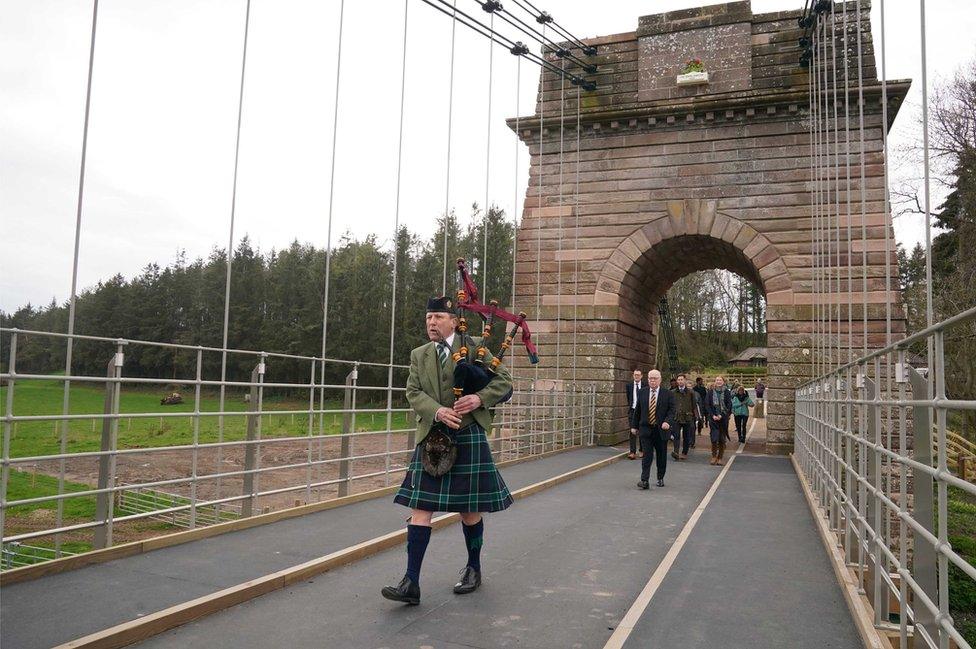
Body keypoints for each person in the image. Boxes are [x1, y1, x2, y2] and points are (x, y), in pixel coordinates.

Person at [381, 296, 514, 606]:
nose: (431, 322)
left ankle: (473, 568)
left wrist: (479, 398)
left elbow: (505, 383)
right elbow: (413, 392)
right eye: (429, 317)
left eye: (438, 316)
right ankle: (410, 581)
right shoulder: (419, 354)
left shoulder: (477, 344)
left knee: (469, 510)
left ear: (454, 321)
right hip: (433, 439)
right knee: (421, 509)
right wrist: (437, 411)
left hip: (468, 434)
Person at [630, 369, 676, 488]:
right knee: (647, 455)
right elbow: (637, 411)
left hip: (661, 430)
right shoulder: (642, 392)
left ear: (660, 380)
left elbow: (672, 411)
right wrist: (634, 426)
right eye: (650, 378)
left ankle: (660, 477)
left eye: (655, 378)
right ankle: (644, 480)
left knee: (661, 456)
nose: (652, 380)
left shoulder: (668, 394)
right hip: (646, 429)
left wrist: (667, 422)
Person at [704, 375, 733, 466]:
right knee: (714, 437)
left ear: (723, 382)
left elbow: (729, 405)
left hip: (723, 419)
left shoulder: (727, 392)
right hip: (713, 419)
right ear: (715, 381)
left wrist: (722, 415)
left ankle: (720, 457)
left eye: (720, 380)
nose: (718, 381)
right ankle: (713, 456)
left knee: (721, 438)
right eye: (717, 380)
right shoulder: (710, 392)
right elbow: (707, 405)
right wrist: (713, 415)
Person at [670, 373, 698, 460]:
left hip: (687, 417)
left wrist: (696, 417)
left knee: (686, 436)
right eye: (678, 380)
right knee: (676, 435)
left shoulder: (691, 392)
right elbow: (670, 405)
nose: (680, 381)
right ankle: (676, 452)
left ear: (685, 381)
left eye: (681, 379)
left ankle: (684, 452)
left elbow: (694, 405)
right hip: (676, 417)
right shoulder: (672, 392)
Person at [624, 369, 645, 460]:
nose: (636, 376)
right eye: (635, 375)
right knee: (632, 431)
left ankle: (641, 449)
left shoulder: (645, 386)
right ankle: (632, 452)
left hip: (642, 411)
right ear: (633, 375)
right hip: (632, 410)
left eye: (638, 375)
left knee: (641, 430)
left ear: (641, 376)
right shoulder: (629, 385)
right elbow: (629, 397)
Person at [692, 376, 707, 445]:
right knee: (695, 419)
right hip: (695, 405)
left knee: (701, 418)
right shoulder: (694, 389)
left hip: (702, 405)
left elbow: (705, 397)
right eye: (701, 381)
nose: (702, 382)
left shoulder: (703, 388)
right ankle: (694, 431)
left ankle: (699, 431)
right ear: (698, 381)